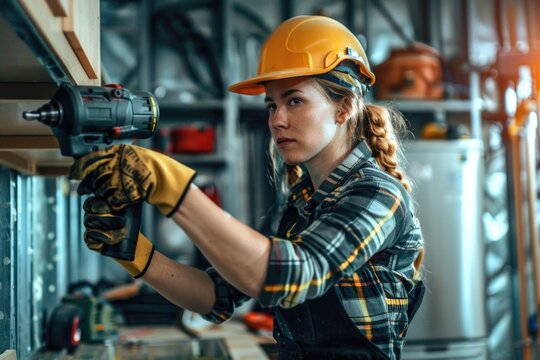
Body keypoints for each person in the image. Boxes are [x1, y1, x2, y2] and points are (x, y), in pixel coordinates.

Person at [71, 15, 424, 360]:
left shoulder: (378, 195)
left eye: (294, 100)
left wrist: (172, 187)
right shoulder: (299, 206)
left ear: (343, 107)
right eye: (271, 104)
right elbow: (216, 296)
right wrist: (136, 255)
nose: (276, 120)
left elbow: (294, 275)